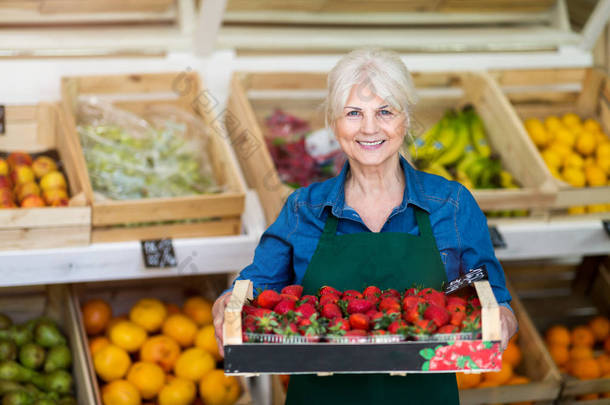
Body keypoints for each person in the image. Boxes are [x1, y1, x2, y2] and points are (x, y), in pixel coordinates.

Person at [212, 48, 518, 404]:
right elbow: (255, 287)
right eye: (353, 113)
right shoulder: (304, 208)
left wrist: (502, 321)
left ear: (406, 118)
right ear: (333, 123)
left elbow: (490, 294)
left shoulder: (451, 204)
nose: (370, 128)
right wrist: (226, 306)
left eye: (385, 111)